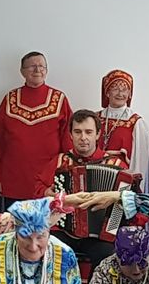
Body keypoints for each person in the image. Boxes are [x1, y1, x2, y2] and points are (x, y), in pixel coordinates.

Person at [36, 109, 130, 274]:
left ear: (98, 134)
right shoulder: (60, 161)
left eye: (88, 132)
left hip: (99, 236)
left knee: (107, 254)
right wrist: (46, 193)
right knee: (47, 247)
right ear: (70, 135)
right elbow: (37, 191)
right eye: (78, 132)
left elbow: (130, 201)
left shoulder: (116, 165)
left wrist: (117, 213)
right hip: (63, 230)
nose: (83, 137)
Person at [0, 51, 73, 207]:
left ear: (46, 70)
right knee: (15, 221)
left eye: (41, 66)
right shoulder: (10, 99)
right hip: (14, 177)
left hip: (48, 180)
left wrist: (66, 177)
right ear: (22, 71)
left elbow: (67, 141)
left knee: (47, 222)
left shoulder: (59, 99)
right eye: (32, 66)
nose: (37, 70)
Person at [97, 70, 149, 176]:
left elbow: (140, 161)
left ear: (129, 94)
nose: (120, 94)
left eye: (124, 90)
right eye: (115, 89)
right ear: (107, 92)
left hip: (121, 176)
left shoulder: (136, 122)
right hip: (95, 172)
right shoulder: (95, 118)